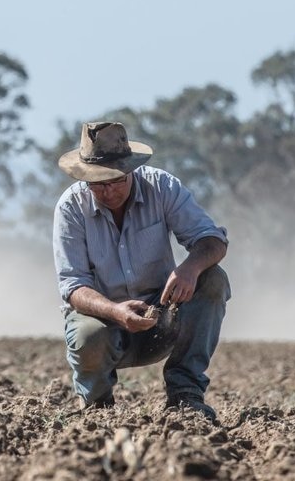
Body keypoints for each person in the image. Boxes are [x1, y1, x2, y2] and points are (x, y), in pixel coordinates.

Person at [52, 121, 230, 422]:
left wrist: (189, 268)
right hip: (104, 322)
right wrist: (115, 311)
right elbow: (73, 285)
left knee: (213, 278)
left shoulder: (162, 187)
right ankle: (97, 409)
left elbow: (213, 240)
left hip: (163, 318)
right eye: (98, 183)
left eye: (116, 181)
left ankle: (186, 396)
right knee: (87, 335)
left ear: (131, 169)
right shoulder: (70, 208)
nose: (108, 192)